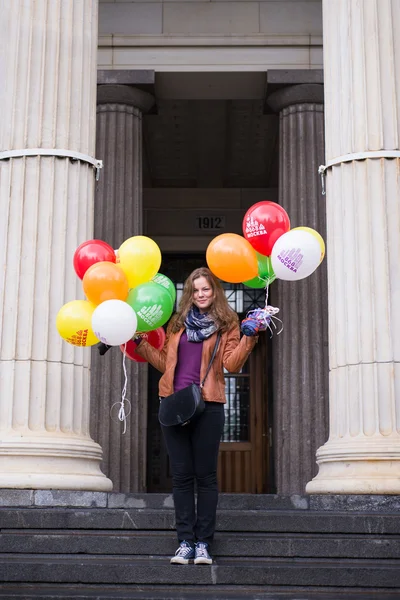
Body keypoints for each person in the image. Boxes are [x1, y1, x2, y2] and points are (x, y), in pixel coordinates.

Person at [133, 267, 261, 565]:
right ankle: (184, 542)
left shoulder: (227, 325)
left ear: (215, 291)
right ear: (189, 293)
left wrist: (249, 337)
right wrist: (142, 344)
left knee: (205, 476)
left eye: (207, 289)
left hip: (209, 405)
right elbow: (166, 363)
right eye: (196, 289)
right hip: (174, 404)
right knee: (180, 477)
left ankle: (203, 542)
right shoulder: (177, 325)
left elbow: (231, 363)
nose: (201, 294)